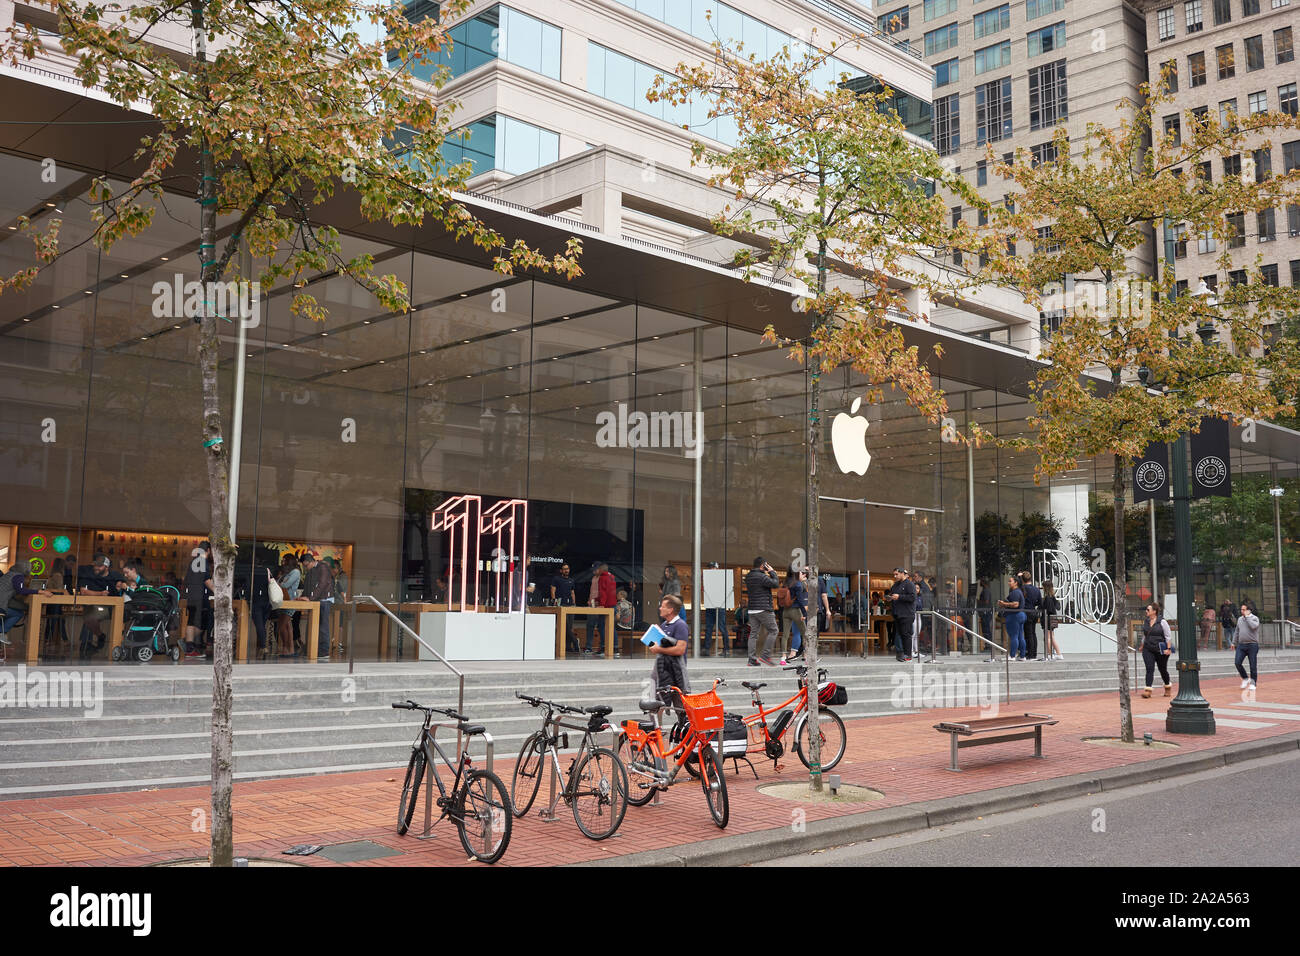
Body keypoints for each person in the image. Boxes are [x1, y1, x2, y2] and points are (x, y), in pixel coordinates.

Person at [0, 561, 50, 645]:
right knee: (18, 614)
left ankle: (2, 632)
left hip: (3, 603)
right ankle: (2, 632)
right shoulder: (18, 576)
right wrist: (40, 591)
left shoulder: (9, 574)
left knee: (19, 610)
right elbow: (21, 590)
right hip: (1, 606)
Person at [650, 594, 690, 696]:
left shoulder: (680, 625)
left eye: (663, 606)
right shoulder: (664, 625)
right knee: (659, 701)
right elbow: (663, 645)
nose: (660, 608)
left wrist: (658, 649)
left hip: (676, 672)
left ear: (670, 610)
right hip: (663, 669)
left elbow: (680, 650)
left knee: (680, 705)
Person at [77, 554, 115, 658]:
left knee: (89, 616)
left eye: (99, 566)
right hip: (91, 607)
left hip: (106, 608)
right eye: (95, 565)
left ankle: (86, 644)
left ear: (106, 567)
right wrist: (100, 593)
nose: (96, 568)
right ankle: (88, 643)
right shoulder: (88, 575)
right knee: (89, 615)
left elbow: (110, 595)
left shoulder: (112, 578)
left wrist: (96, 593)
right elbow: (83, 592)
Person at [744, 556, 780, 666]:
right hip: (763, 608)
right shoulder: (762, 577)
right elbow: (775, 584)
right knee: (774, 630)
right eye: (765, 565)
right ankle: (765, 655)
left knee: (753, 634)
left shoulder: (748, 576)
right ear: (762, 565)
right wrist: (772, 571)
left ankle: (751, 659)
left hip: (752, 610)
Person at [184, 541, 214, 658]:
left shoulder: (193, 562)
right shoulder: (203, 562)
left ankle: (189, 647)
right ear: (208, 550)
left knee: (191, 621)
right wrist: (219, 592)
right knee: (204, 622)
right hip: (199, 597)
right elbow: (206, 580)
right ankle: (188, 643)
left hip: (191, 596)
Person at [302, 553, 334, 660]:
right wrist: (305, 596)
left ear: (310, 561)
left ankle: (324, 651)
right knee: (315, 625)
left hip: (325, 599)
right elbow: (311, 585)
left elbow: (322, 584)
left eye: (306, 565)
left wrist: (310, 598)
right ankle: (313, 649)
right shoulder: (314, 570)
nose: (305, 568)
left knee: (323, 626)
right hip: (318, 600)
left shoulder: (322, 567)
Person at [1139, 602, 1174, 698]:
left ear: (1154, 611)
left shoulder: (1162, 622)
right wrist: (1142, 645)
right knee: (1149, 668)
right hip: (1148, 648)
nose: (1146, 611)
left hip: (1160, 649)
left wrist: (1168, 648)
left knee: (1162, 669)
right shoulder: (1146, 621)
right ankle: (1148, 690)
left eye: (1148, 610)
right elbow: (1145, 634)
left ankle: (1167, 687)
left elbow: (1168, 636)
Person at [585, 562, 617, 656]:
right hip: (611, 604)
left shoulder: (603, 578)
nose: (595, 571)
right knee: (610, 626)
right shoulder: (611, 577)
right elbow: (607, 592)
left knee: (602, 626)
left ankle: (603, 647)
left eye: (596, 569)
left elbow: (603, 592)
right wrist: (594, 599)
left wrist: (601, 604)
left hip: (606, 605)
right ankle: (615, 648)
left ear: (601, 569)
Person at [886, 567, 916, 662]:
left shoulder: (909, 584)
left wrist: (899, 597)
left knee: (906, 634)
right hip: (897, 613)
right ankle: (901, 654)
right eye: (894, 574)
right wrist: (890, 598)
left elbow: (912, 597)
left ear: (902, 573)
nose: (895, 576)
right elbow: (892, 594)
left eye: (896, 574)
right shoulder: (895, 585)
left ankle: (908, 655)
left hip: (907, 613)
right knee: (900, 634)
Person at [275, 553, 301, 656]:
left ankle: (286, 648)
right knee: (287, 626)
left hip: (290, 601)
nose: (282, 563)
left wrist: (278, 582)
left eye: (284, 560)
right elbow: (278, 582)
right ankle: (290, 650)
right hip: (283, 601)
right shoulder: (286, 573)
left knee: (281, 627)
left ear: (289, 561)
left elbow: (285, 584)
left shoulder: (295, 572)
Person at [780, 566, 807, 663]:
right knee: (805, 634)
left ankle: (783, 658)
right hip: (796, 611)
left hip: (785, 611)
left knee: (785, 635)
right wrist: (804, 613)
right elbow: (800, 601)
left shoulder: (785, 582)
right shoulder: (798, 584)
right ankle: (807, 657)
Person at [702, 561, 727, 658]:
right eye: (710, 567)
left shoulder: (721, 578)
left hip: (720, 605)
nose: (711, 569)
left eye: (712, 567)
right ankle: (707, 649)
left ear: (716, 568)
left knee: (722, 627)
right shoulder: (707, 578)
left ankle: (726, 649)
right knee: (709, 628)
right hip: (710, 605)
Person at [550, 562, 577, 653]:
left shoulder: (571, 580)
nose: (566, 570)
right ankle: (575, 642)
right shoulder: (556, 579)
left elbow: (572, 592)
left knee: (569, 626)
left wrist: (574, 603)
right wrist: (554, 601)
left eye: (567, 569)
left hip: (570, 606)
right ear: (561, 570)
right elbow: (553, 590)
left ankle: (568, 647)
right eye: (564, 569)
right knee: (564, 626)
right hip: (560, 605)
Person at [998, 575, 1026, 661]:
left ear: (1016, 583)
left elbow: (1015, 604)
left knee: (1014, 636)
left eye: (1010, 581)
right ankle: (1022, 655)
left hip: (1015, 615)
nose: (1008, 583)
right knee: (1020, 636)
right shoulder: (1019, 591)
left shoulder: (1015, 592)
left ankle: (1012, 655)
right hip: (1020, 615)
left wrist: (1004, 604)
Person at [1234, 601, 1261, 691]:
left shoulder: (1255, 618)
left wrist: (1248, 618)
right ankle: (1245, 678)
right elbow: (1237, 631)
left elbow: (1253, 627)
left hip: (1252, 645)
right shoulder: (1240, 619)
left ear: (1249, 610)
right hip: (1241, 645)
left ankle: (1253, 683)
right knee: (1237, 662)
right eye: (1241, 609)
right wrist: (1234, 642)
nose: (1242, 611)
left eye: (1244, 609)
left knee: (1252, 665)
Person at [1020, 571, 1043, 661]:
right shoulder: (1036, 589)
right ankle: (1034, 653)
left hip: (1025, 612)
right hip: (1033, 612)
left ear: (1023, 579)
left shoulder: (1022, 589)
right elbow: (1040, 602)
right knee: (1033, 633)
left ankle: (1029, 654)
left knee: (1027, 634)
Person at [1041, 579, 1063, 661]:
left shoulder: (1048, 598)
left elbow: (1048, 609)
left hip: (1048, 619)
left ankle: (1050, 654)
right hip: (1053, 618)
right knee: (1052, 637)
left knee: (1048, 638)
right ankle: (1058, 653)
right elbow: (1057, 607)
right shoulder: (1053, 597)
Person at [977, 579, 996, 661]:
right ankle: (987, 645)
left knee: (986, 629)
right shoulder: (985, 590)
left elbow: (986, 601)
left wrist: (978, 601)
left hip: (986, 612)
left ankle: (989, 646)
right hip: (985, 612)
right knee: (985, 629)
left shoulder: (986, 591)